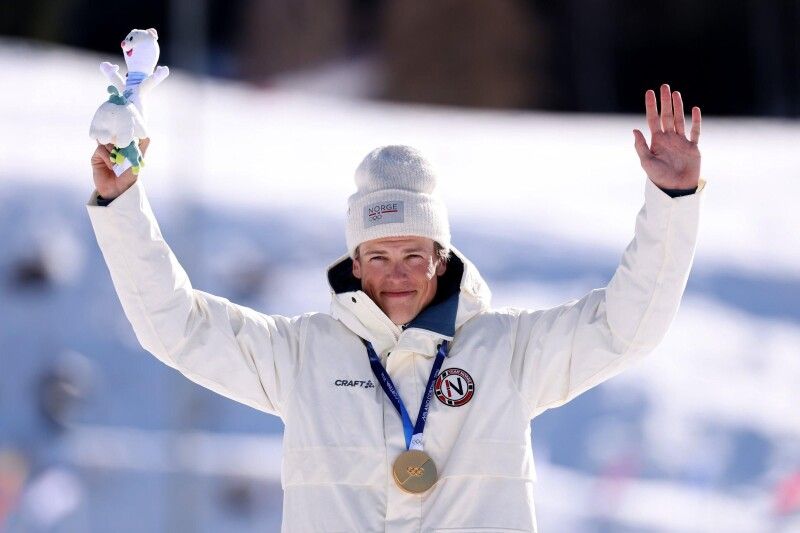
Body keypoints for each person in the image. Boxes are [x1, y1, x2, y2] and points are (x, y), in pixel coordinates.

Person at [87, 84, 705, 532]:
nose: (398, 275)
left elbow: (626, 327)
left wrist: (671, 202)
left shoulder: (507, 353)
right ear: (354, 262)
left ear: (441, 254)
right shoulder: (301, 357)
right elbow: (178, 326)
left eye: (414, 253)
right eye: (378, 256)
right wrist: (123, 207)